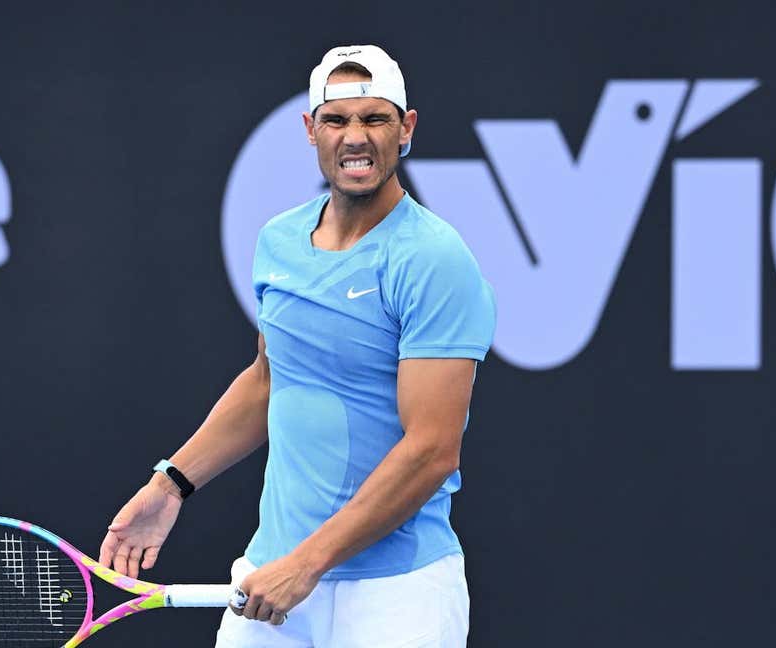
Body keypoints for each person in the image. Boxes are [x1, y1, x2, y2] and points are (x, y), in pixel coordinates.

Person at [98, 44, 496, 647]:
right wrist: (170, 484)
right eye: (337, 120)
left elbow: (433, 450)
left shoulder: (434, 260)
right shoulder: (278, 241)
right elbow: (267, 377)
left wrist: (309, 562)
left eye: (375, 119)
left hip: (397, 593)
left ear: (406, 129)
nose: (355, 137)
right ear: (311, 130)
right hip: (273, 578)